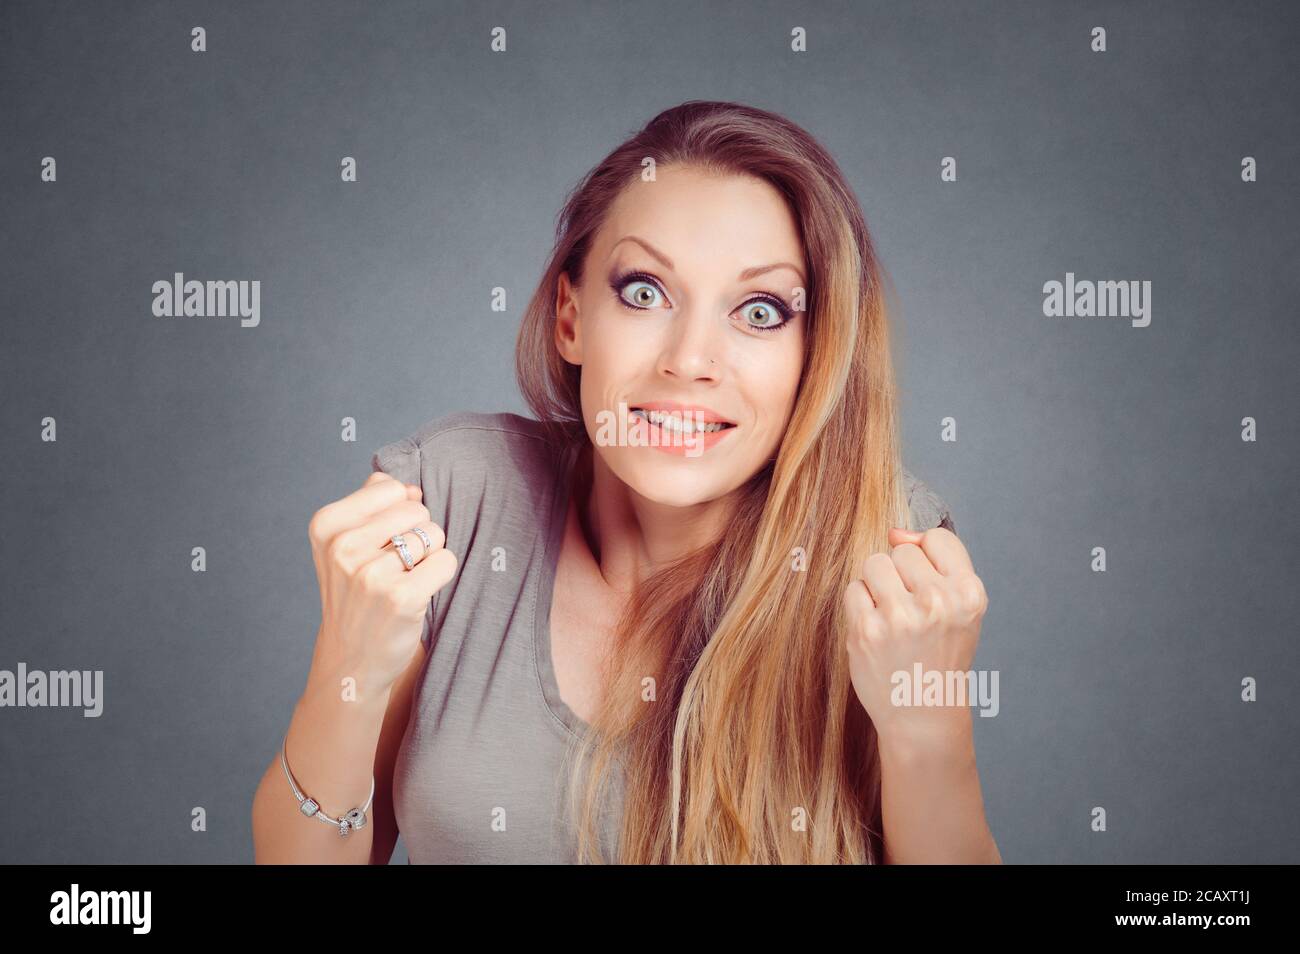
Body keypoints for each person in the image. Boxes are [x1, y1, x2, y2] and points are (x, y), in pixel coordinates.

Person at [252, 100, 1000, 864]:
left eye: (761, 311)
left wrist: (928, 731)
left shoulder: (884, 553)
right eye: (645, 292)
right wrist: (346, 665)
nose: (690, 359)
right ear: (570, 317)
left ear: (819, 351)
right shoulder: (451, 500)